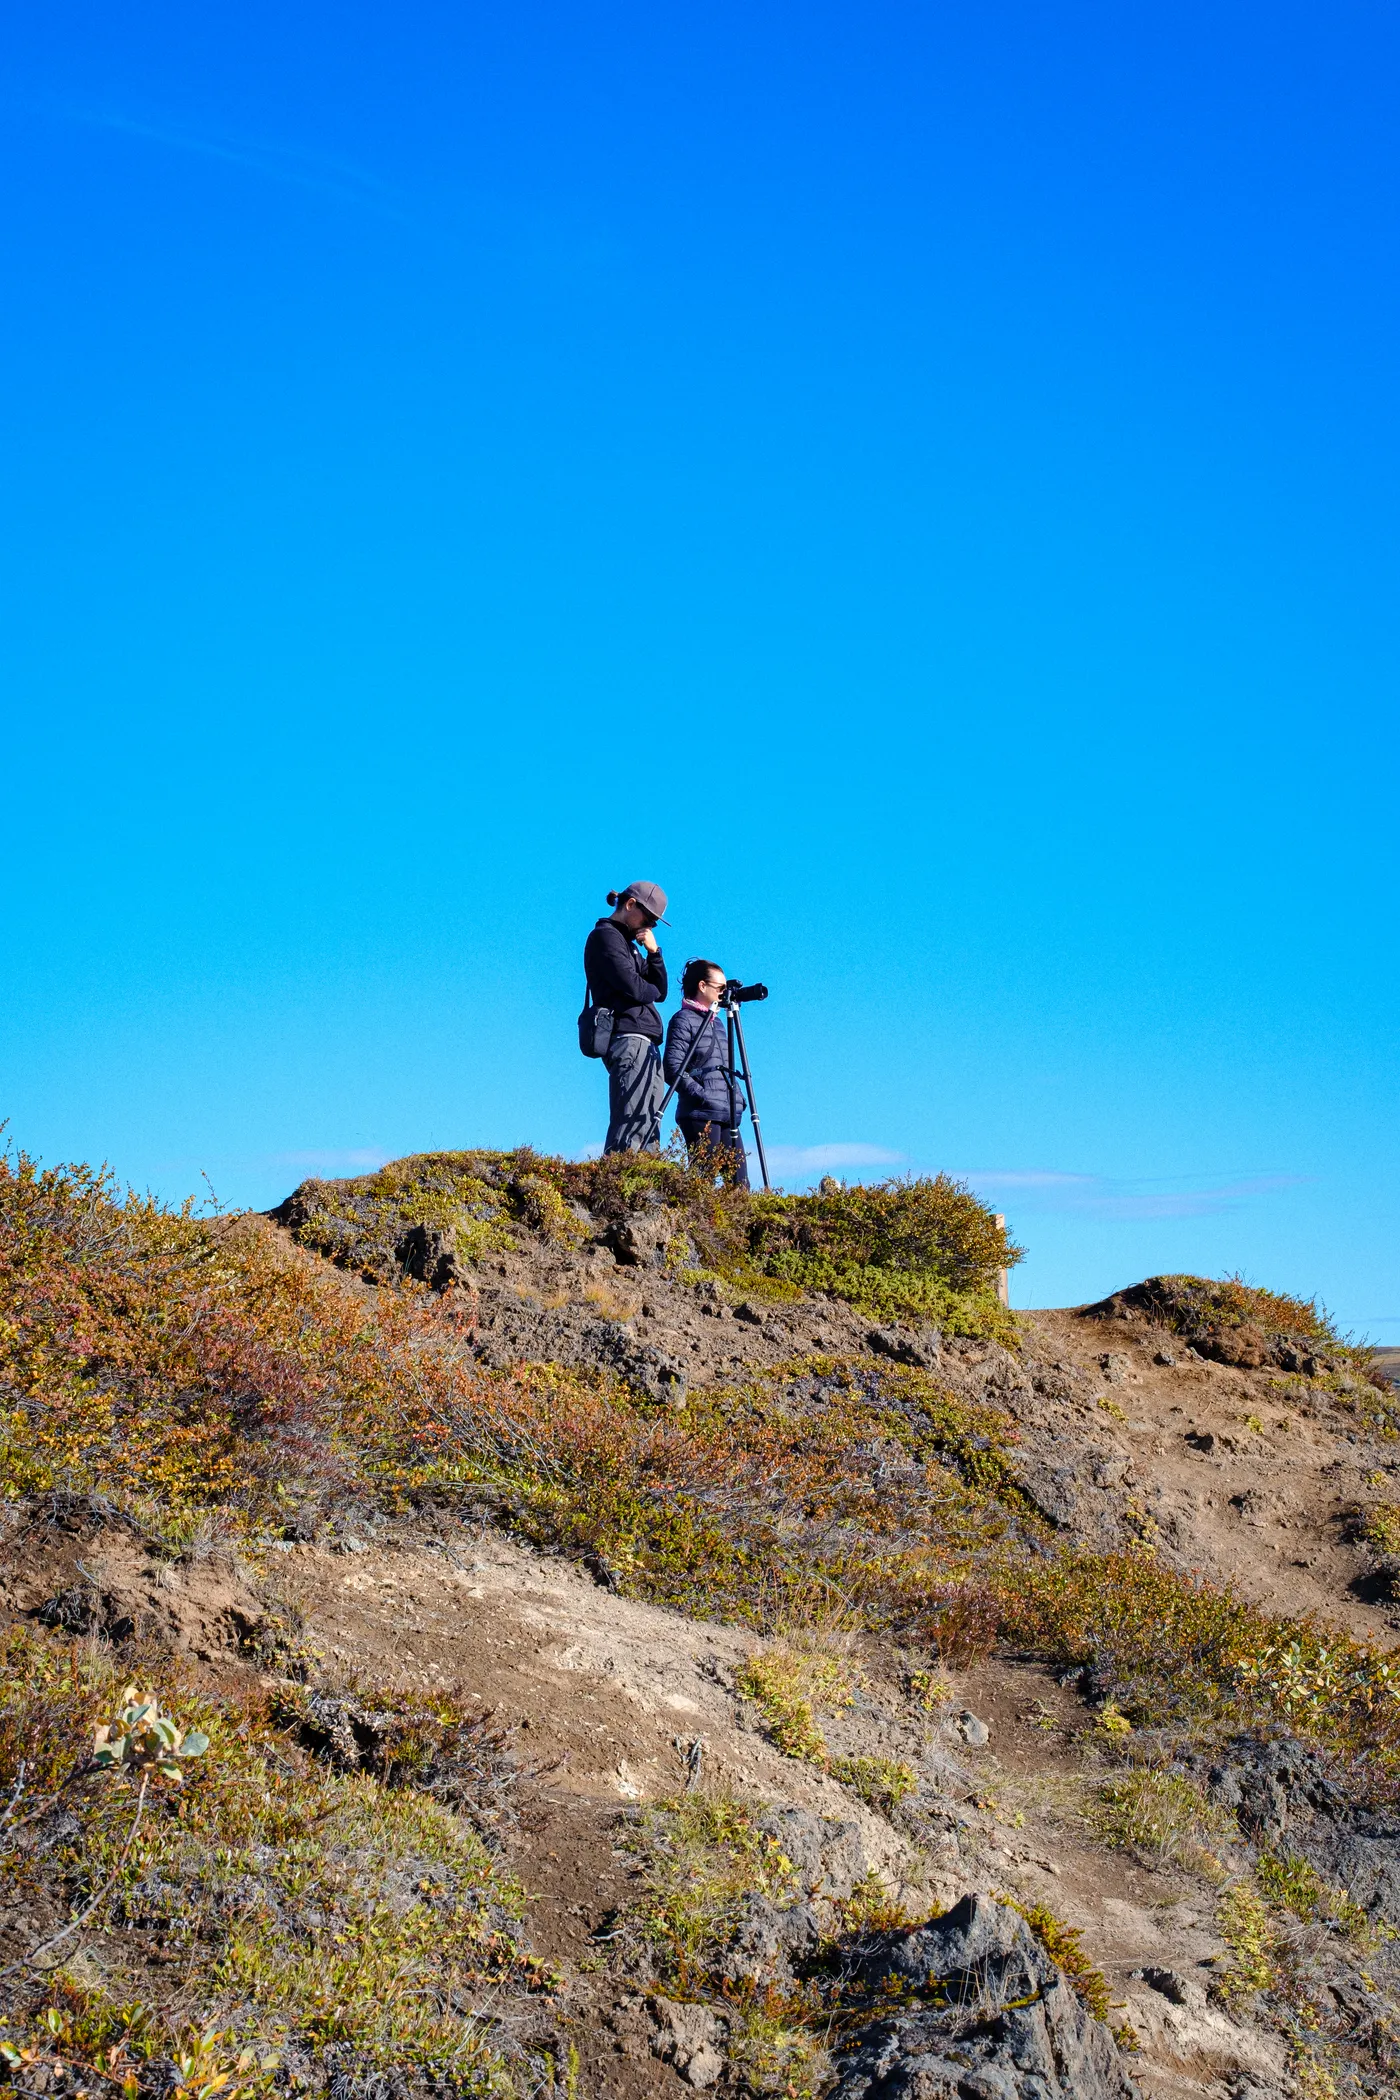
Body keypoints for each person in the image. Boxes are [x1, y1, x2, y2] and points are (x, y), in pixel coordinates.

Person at [584, 882, 670, 1154]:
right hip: (627, 1038)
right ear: (630, 904)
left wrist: (654, 953)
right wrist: (650, 989)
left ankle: (643, 1187)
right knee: (631, 1120)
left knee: (647, 1122)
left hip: (644, 1040)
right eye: (649, 919)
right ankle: (619, 1185)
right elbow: (635, 987)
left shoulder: (629, 945)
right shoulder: (605, 938)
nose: (649, 927)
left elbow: (660, 991)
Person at [663, 958, 750, 1187]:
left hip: (727, 1113)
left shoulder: (719, 1024)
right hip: (699, 1113)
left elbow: (727, 1067)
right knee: (702, 1180)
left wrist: (738, 1099)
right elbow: (672, 1068)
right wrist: (702, 1095)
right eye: (720, 988)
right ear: (702, 986)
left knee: (740, 1185)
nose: (724, 994)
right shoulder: (684, 1020)